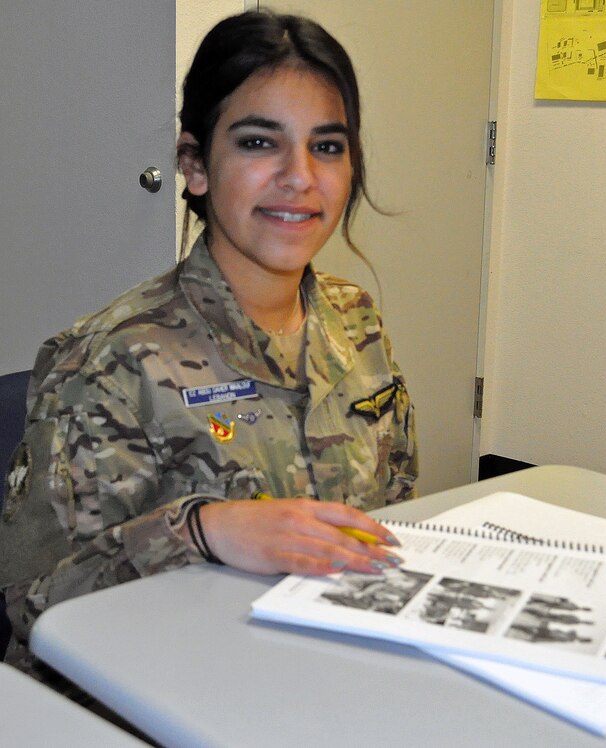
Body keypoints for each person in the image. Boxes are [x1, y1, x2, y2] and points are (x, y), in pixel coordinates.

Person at [0, 9, 418, 683]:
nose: (300, 177)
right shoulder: (113, 358)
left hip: (320, 668)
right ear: (195, 164)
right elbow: (37, 607)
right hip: (156, 696)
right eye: (259, 143)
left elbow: (393, 500)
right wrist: (203, 530)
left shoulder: (355, 320)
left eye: (328, 146)